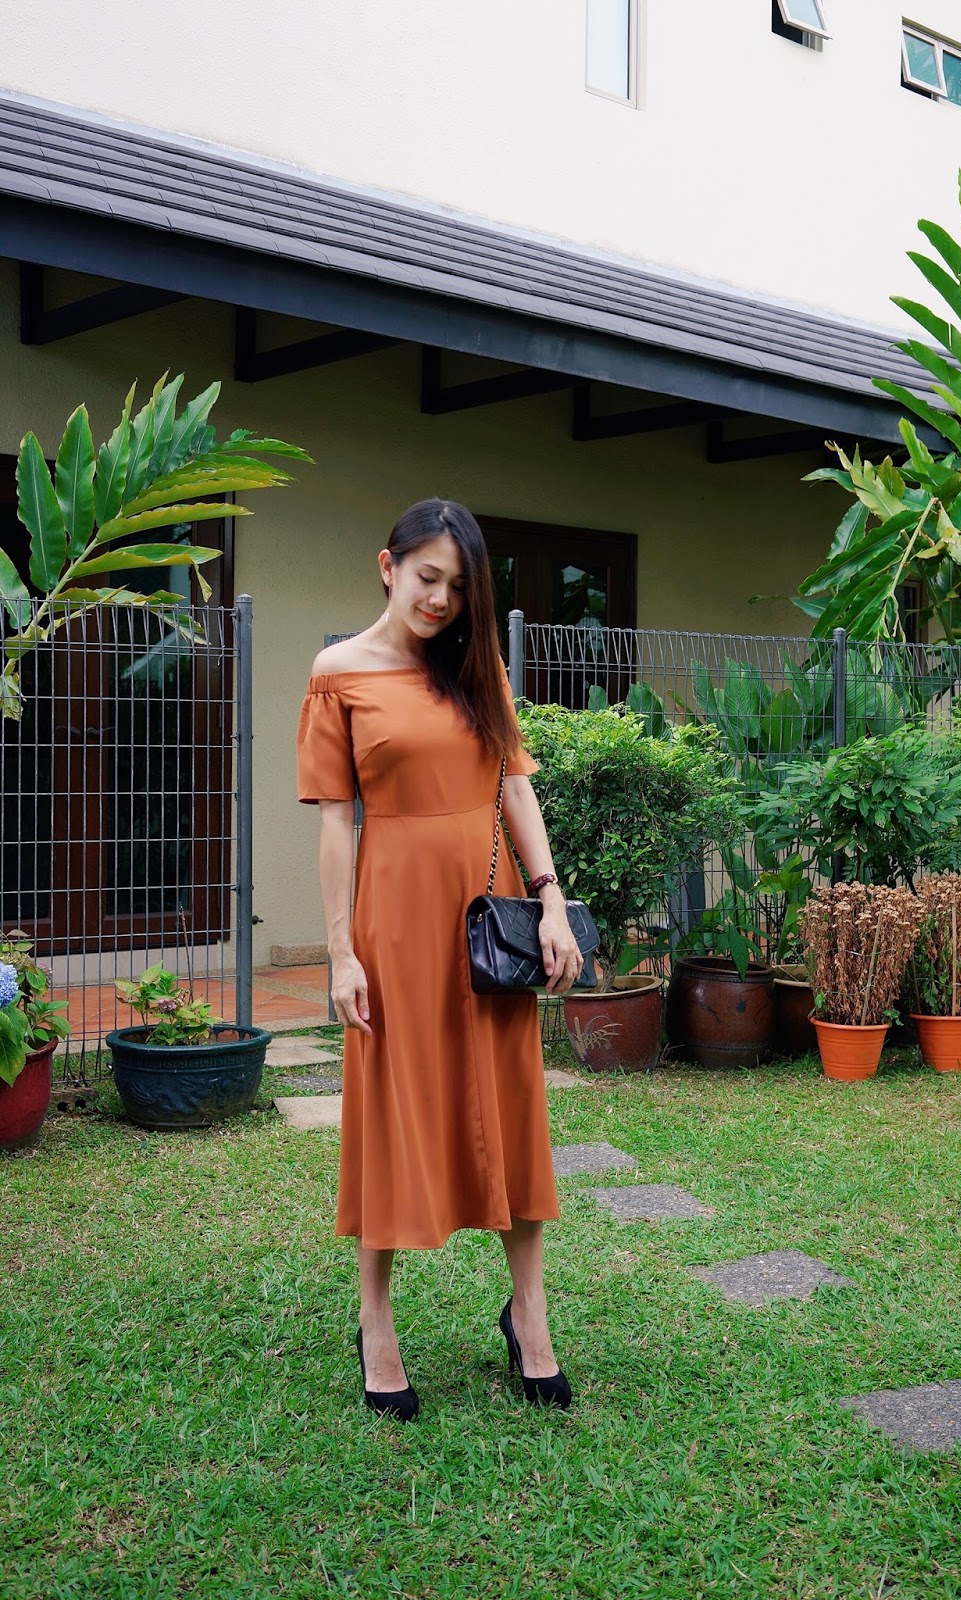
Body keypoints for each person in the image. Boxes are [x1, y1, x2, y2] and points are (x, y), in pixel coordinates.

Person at [295, 497, 584, 1420]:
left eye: (458, 587)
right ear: (387, 566)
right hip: (393, 920)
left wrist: (550, 901)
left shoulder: (476, 665)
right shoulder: (338, 673)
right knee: (391, 1106)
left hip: (486, 919)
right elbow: (335, 821)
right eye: (428, 578)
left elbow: (513, 786)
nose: (440, 600)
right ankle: (374, 1321)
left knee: (510, 1101)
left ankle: (528, 1312)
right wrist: (340, 952)